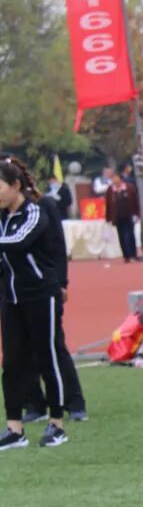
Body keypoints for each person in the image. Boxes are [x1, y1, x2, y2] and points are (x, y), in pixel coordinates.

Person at [0, 159, 70, 449]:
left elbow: (18, 241)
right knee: (12, 362)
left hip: (41, 294)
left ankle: (57, 424)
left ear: (15, 185)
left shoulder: (35, 212)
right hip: (11, 298)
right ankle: (14, 428)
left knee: (47, 357)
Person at [104, 170, 138, 262]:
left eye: (116, 178)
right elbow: (108, 204)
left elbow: (135, 201)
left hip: (129, 215)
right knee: (122, 236)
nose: (115, 180)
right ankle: (126, 256)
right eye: (113, 179)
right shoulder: (110, 190)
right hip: (117, 216)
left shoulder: (129, 188)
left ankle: (133, 254)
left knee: (130, 234)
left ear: (120, 179)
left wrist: (137, 214)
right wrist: (108, 218)